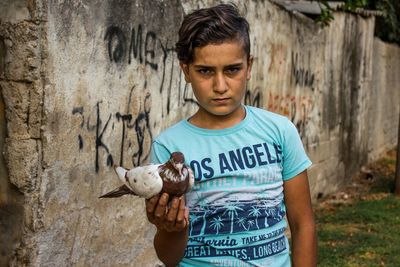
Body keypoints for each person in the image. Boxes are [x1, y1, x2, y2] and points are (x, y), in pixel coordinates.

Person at [145, 3, 317, 267]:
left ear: (249, 67)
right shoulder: (169, 148)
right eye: (205, 71)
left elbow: (302, 223)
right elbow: (168, 258)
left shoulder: (280, 132)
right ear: (185, 71)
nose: (220, 86)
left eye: (232, 69)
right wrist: (172, 228)